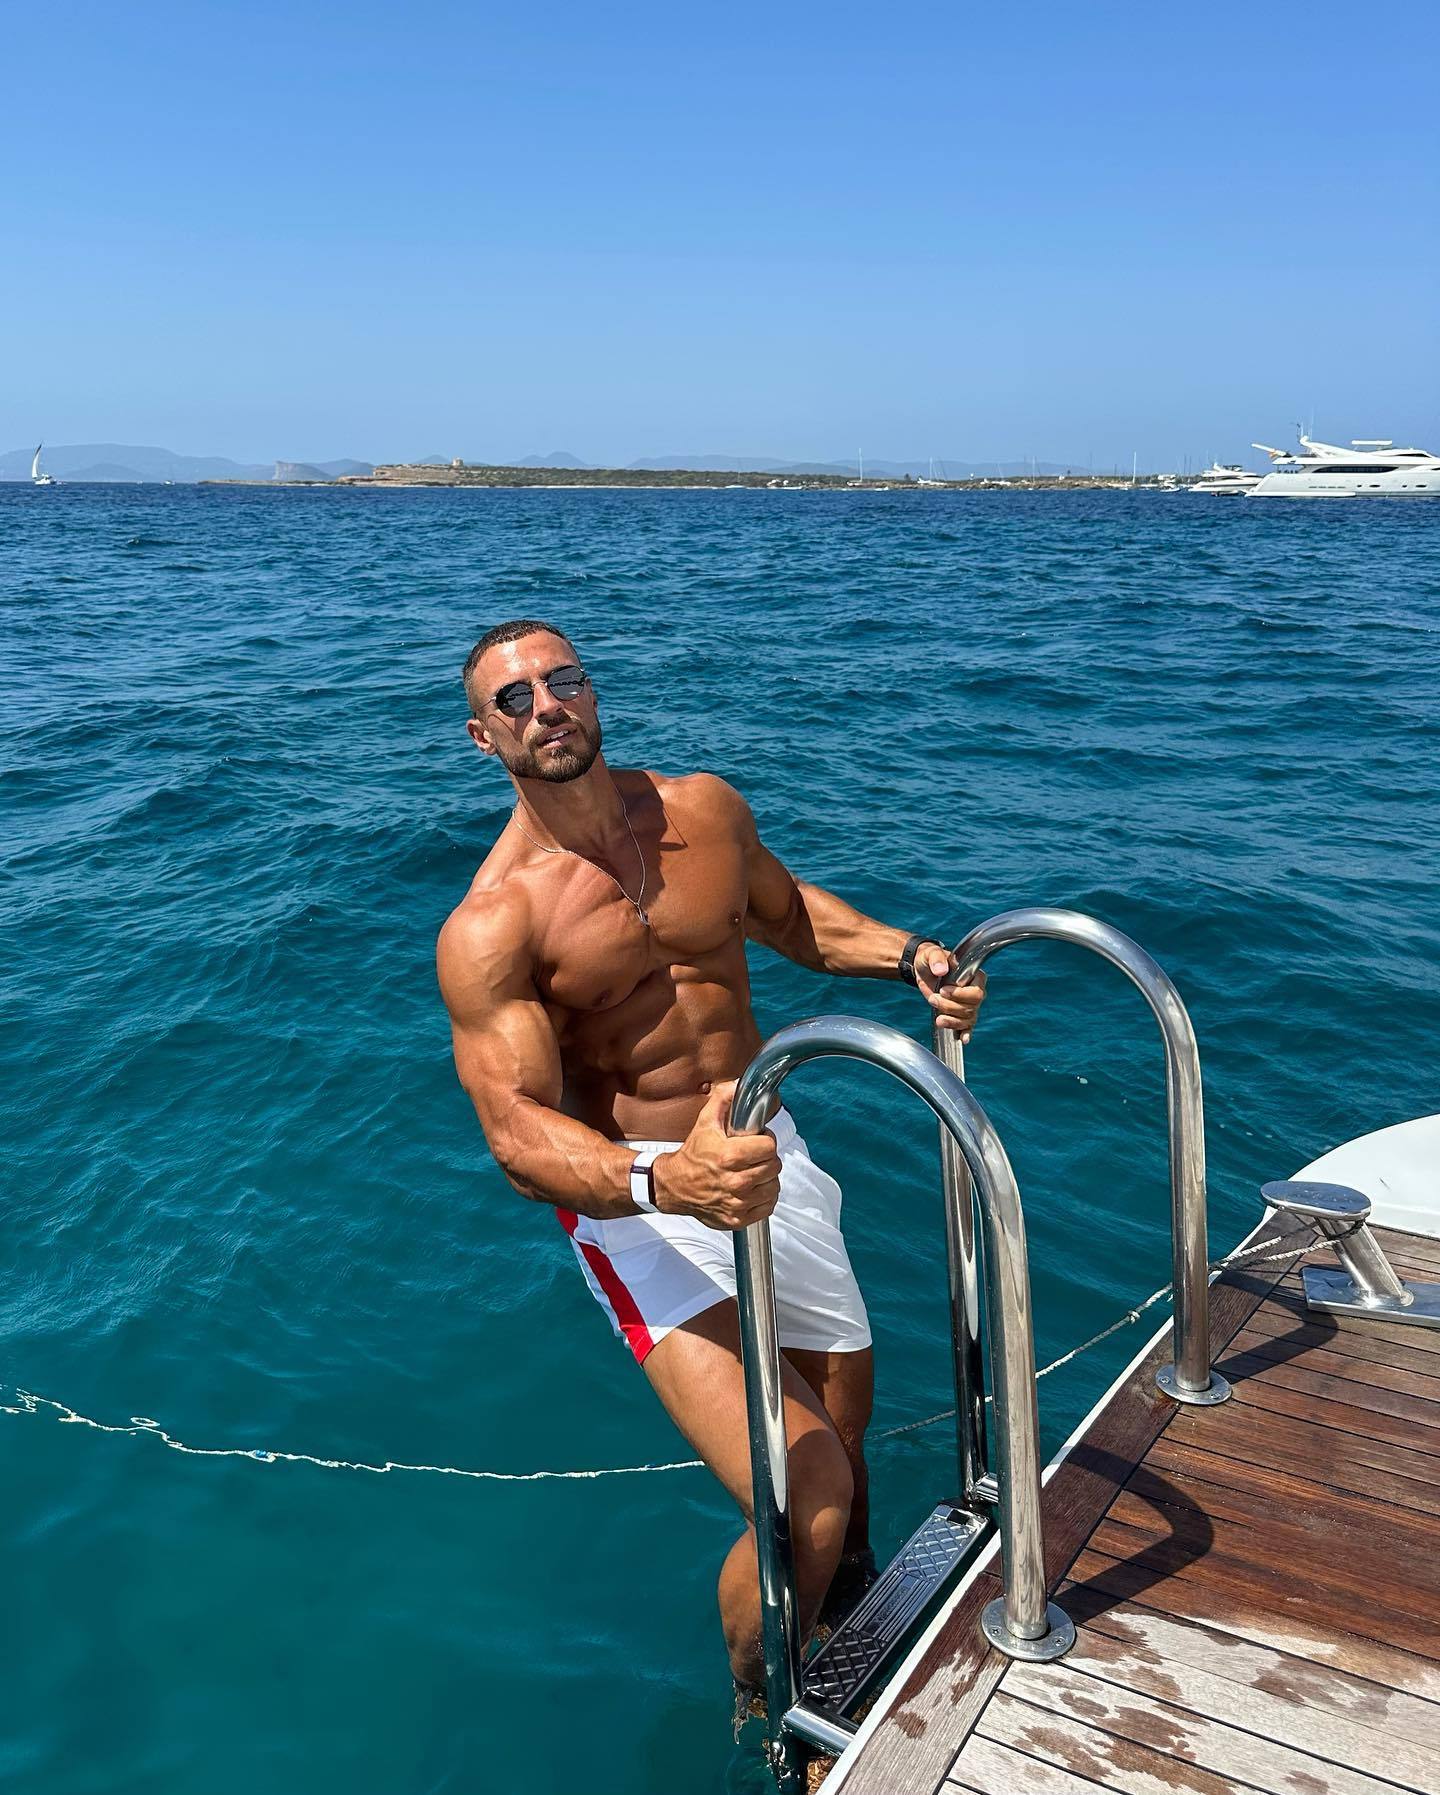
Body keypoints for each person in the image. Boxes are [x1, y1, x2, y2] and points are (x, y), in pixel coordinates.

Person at [437, 618, 985, 1692]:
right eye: (514, 699)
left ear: (593, 693)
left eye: (563, 680)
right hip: (641, 1204)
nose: (547, 707)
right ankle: (764, 1702)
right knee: (806, 1490)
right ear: (482, 736)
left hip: (766, 1153)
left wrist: (911, 956)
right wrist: (663, 1179)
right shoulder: (495, 922)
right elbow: (516, 1133)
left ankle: (853, 1633)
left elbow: (789, 917)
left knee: (846, 1446)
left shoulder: (703, 811)